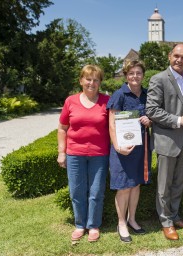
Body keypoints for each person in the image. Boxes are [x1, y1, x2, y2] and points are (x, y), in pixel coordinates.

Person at [146, 44, 183, 241]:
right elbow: (152, 110)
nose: (179, 60)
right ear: (169, 56)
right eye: (176, 56)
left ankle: (174, 216)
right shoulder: (158, 79)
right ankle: (166, 222)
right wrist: (177, 120)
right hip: (167, 139)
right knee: (164, 184)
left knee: (179, 182)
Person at [57, 64, 110, 242]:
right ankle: (80, 225)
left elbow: (116, 126)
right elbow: (62, 128)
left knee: (96, 191)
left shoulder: (107, 101)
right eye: (88, 79)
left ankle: (93, 225)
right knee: (77, 191)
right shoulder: (70, 101)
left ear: (100, 82)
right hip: (74, 154)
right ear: (81, 80)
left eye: (96, 80)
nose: (92, 83)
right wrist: (61, 152)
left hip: (99, 154)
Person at [107, 60, 152, 243]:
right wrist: (118, 146)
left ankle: (132, 219)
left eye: (138, 73)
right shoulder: (119, 94)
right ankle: (121, 223)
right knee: (124, 187)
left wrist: (149, 120)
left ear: (143, 75)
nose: (135, 76)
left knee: (135, 185)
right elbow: (111, 124)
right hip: (122, 150)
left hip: (141, 148)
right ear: (126, 75)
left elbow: (152, 116)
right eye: (131, 73)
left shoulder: (147, 94)